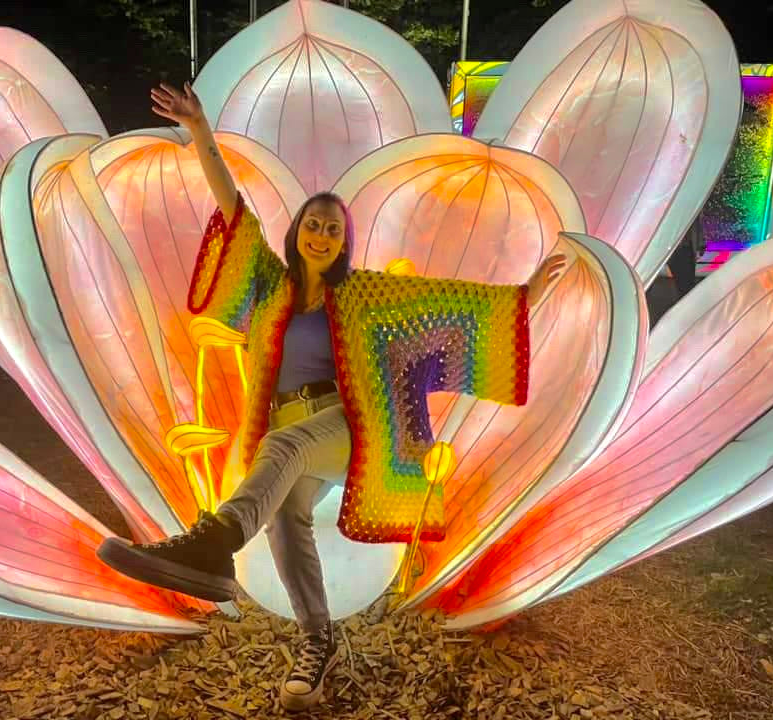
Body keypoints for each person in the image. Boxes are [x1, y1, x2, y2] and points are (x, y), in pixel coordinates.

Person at [98, 81, 565, 712]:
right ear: (297, 233)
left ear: (344, 242)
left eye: (333, 229)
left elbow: (453, 314)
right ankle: (316, 646)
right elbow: (232, 204)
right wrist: (201, 133)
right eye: (313, 224)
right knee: (289, 522)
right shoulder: (268, 285)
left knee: (285, 445)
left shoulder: (366, 296)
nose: (321, 234)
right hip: (290, 437)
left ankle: (214, 541)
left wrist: (524, 295)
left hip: (352, 427)